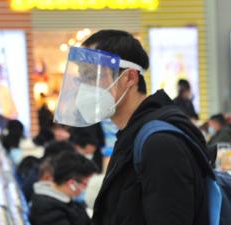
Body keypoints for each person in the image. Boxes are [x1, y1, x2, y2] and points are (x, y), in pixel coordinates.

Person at [53, 30, 210, 225]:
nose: (85, 87)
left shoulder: (160, 144)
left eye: (93, 76)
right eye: (82, 78)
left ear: (130, 78)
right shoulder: (132, 135)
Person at [29, 151, 97, 225]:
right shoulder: (47, 210)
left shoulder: (65, 199)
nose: (86, 188)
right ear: (72, 184)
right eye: (85, 184)